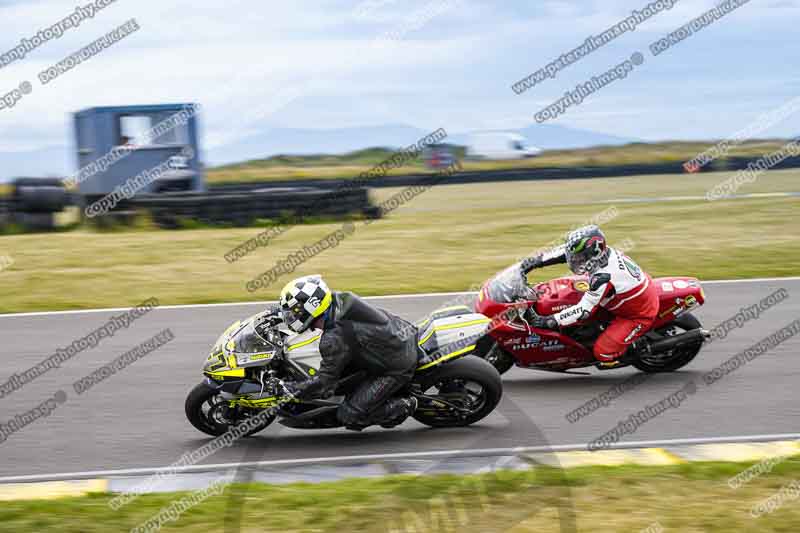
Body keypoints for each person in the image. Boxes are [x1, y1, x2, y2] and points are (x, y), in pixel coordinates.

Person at [278, 274, 418, 430]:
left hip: (397, 364)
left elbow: (324, 385)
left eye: (294, 312)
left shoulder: (333, 339)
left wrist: (289, 388)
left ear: (311, 307)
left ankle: (404, 405)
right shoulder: (338, 299)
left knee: (349, 415)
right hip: (397, 333)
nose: (291, 316)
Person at [520, 225, 659, 368]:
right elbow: (564, 251)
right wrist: (531, 263)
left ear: (593, 254)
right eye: (576, 256)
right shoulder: (598, 255)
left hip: (636, 313)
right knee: (566, 293)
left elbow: (584, 310)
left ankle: (630, 351)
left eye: (580, 257)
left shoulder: (603, 276)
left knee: (603, 352)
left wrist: (550, 321)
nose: (574, 260)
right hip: (621, 294)